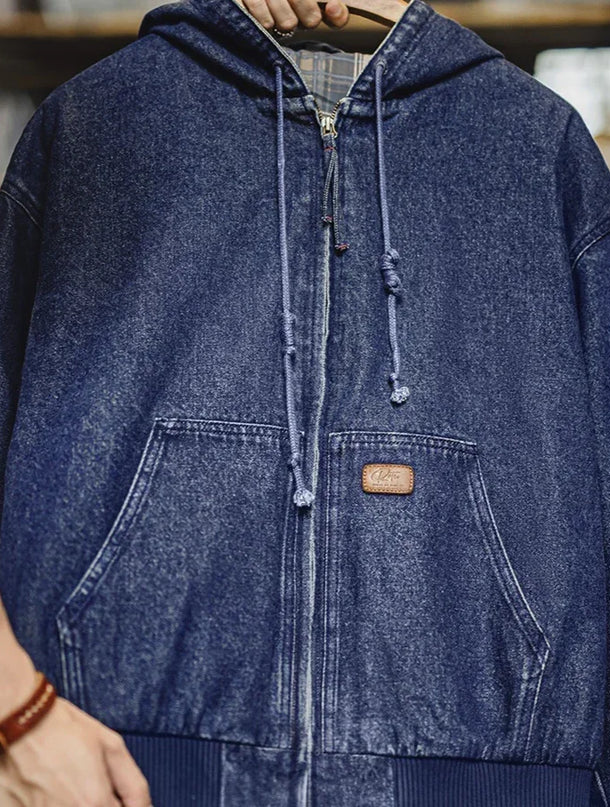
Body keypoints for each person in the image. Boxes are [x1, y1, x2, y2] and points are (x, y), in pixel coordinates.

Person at [0, 3, 350, 804]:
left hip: (464, 749)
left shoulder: (536, 150)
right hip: (99, 751)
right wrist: (16, 712)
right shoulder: (93, 123)